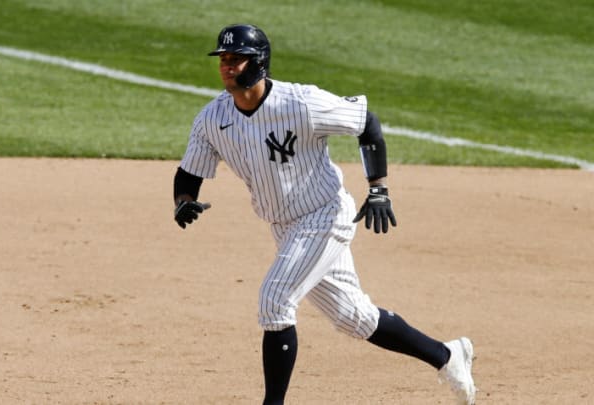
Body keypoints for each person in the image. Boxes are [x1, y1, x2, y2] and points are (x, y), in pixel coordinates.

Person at [172, 24, 476, 405]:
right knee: (355, 318)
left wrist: (378, 189)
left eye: (236, 59)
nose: (227, 67)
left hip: (324, 215)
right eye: (224, 60)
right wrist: (184, 199)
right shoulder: (213, 119)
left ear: (260, 63)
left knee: (275, 299)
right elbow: (190, 171)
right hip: (285, 227)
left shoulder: (300, 103)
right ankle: (448, 356)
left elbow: (367, 124)